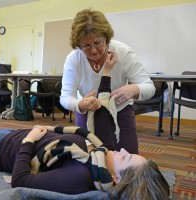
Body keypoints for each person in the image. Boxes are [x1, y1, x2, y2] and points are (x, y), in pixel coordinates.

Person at [0, 60, 169, 199]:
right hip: (13, 137)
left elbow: (21, 181)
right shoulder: (104, 156)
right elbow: (101, 105)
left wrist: (30, 139)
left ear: (116, 179)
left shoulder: (80, 177)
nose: (123, 150)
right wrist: (108, 72)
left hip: (1, 149)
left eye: (127, 157)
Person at [60, 8, 156, 154]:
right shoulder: (73, 59)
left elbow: (149, 87)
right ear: (78, 44)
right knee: (87, 157)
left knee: (128, 157)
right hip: (87, 111)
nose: (93, 50)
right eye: (85, 46)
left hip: (120, 109)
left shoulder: (124, 53)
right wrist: (80, 104)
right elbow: (65, 97)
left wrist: (135, 89)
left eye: (98, 43)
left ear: (107, 38)